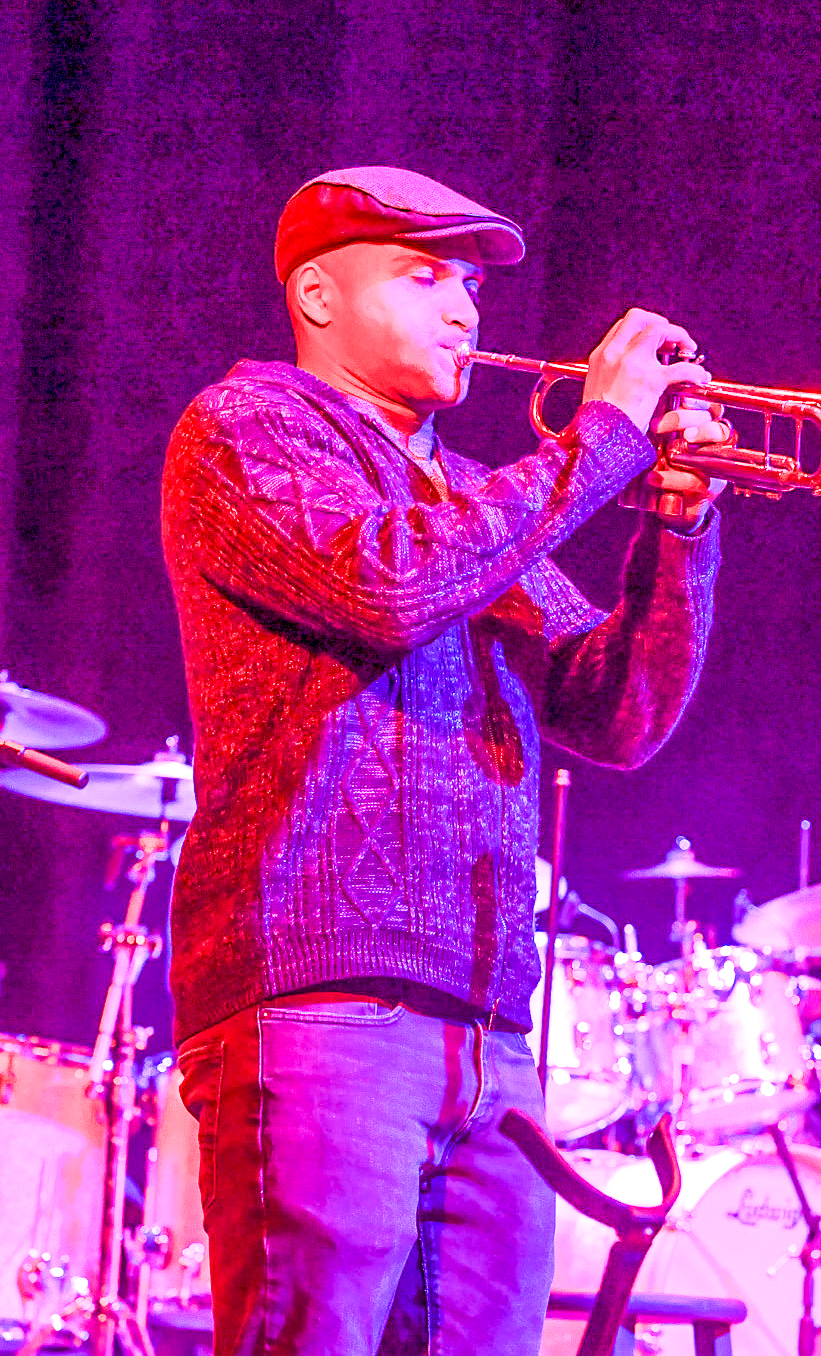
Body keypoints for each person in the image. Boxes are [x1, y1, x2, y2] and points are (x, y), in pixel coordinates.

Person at [158, 165, 730, 1356]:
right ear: (317, 296)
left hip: (487, 1032)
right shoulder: (244, 430)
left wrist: (674, 526)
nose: (465, 312)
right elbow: (390, 582)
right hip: (316, 1006)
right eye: (424, 278)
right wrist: (607, 436)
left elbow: (616, 715)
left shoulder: (480, 498)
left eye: (470, 285)